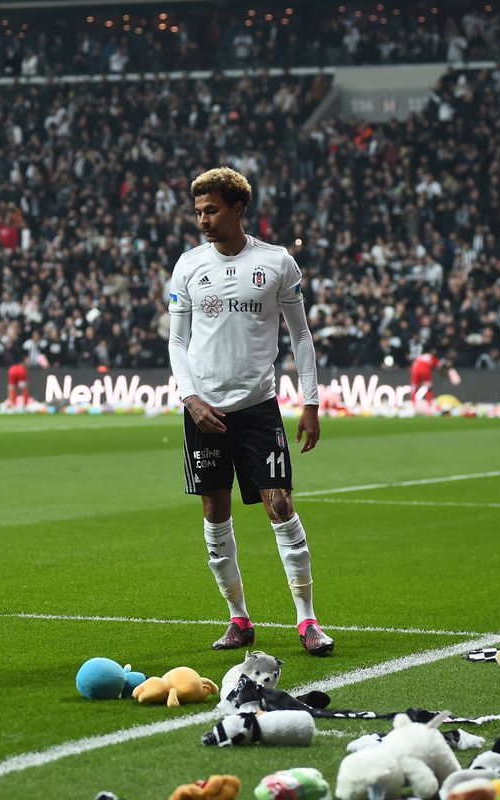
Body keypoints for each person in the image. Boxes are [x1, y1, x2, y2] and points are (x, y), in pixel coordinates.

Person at [167, 166, 333, 656]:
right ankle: (238, 618)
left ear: (238, 207)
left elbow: (300, 335)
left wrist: (311, 401)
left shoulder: (278, 262)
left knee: (280, 505)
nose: (203, 219)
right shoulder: (188, 266)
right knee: (215, 514)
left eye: (211, 210)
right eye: (198, 211)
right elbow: (177, 341)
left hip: (258, 408)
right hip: (203, 411)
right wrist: (190, 398)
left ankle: (307, 621)